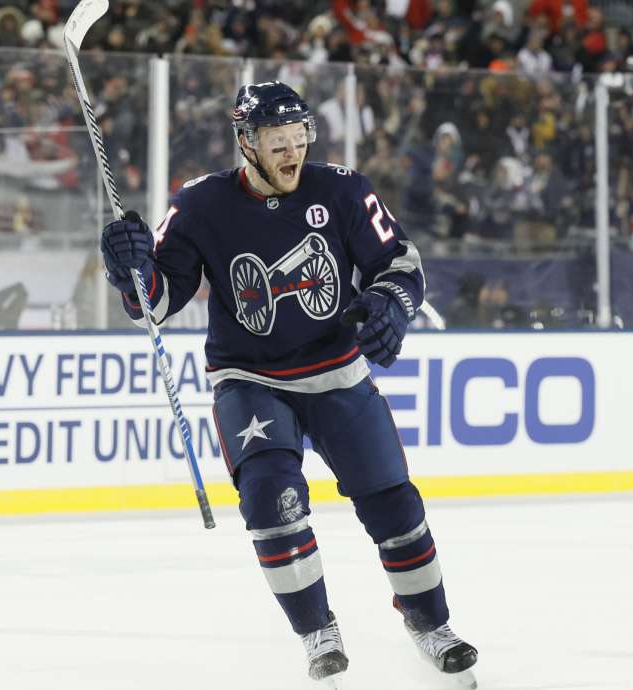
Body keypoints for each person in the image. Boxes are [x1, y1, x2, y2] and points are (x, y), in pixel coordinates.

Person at [98, 82, 478, 688]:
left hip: (337, 373)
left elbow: (401, 264)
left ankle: (430, 623)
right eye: (277, 141)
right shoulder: (200, 205)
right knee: (271, 497)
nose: (291, 151)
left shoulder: (344, 189)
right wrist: (132, 269)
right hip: (250, 380)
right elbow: (155, 303)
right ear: (246, 143)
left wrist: (388, 306)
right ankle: (316, 631)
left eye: (298, 138)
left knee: (394, 504)